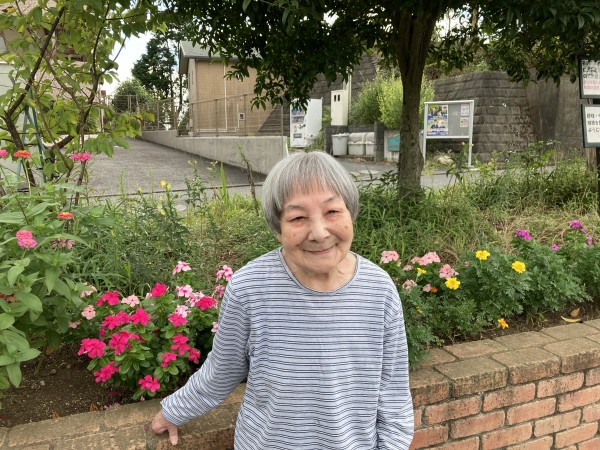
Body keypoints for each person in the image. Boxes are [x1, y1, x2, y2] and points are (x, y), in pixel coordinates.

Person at [151, 151, 414, 449]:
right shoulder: (249, 289)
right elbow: (222, 370)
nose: (319, 233)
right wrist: (173, 411)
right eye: (298, 217)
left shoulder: (379, 290)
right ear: (277, 228)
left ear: (350, 214)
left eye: (332, 212)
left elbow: (393, 393)